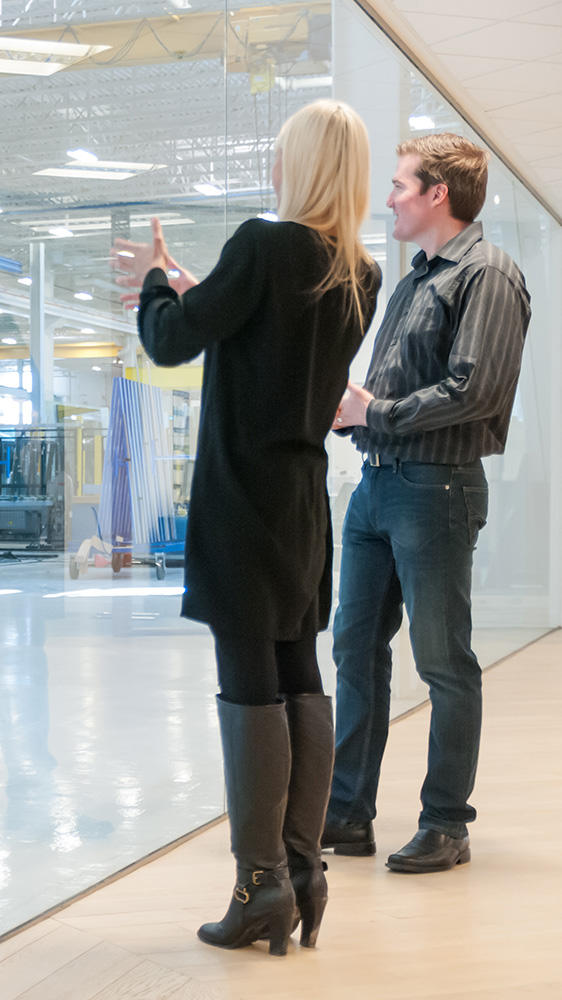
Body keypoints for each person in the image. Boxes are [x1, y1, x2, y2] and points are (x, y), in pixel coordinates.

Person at [114, 99, 381, 954]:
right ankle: (303, 870)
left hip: (241, 497)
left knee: (247, 680)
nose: (271, 167)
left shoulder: (262, 244)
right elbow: (266, 338)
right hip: (305, 497)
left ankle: (258, 883)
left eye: (279, 154)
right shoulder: (359, 274)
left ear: (298, 165)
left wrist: (156, 284)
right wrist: (205, 291)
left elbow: (169, 342)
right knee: (300, 667)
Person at [324, 134, 530, 874]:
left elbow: (473, 390)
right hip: (377, 487)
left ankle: (447, 822)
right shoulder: (414, 279)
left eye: (400, 186)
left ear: (438, 194)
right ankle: (348, 812)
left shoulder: (489, 276)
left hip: (434, 488)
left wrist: (371, 413)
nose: (389, 200)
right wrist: (355, 411)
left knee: (444, 662)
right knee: (354, 650)